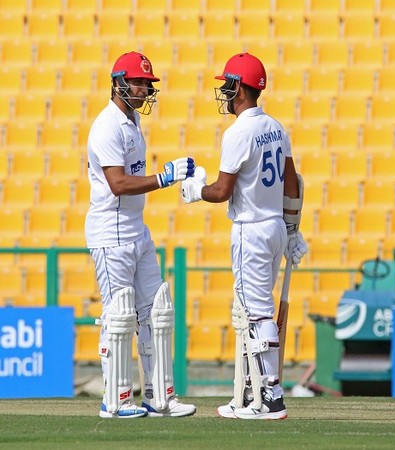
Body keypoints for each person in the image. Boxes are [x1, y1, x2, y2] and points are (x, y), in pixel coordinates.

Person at [180, 52, 308, 420]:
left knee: (256, 313)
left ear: (239, 88)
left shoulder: (238, 132)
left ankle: (271, 396)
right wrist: (293, 229)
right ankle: (255, 388)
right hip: (274, 227)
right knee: (256, 310)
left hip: (250, 229)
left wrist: (195, 191)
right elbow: (291, 182)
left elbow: (221, 191)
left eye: (227, 85)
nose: (224, 91)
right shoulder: (276, 127)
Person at [85, 51, 197, 418]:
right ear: (119, 83)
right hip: (110, 231)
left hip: (136, 228)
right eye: (139, 82)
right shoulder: (106, 126)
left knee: (157, 312)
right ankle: (115, 401)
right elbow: (117, 183)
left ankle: (159, 395)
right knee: (119, 316)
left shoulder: (132, 121)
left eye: (148, 84)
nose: (145, 89)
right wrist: (163, 178)